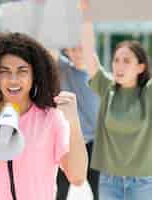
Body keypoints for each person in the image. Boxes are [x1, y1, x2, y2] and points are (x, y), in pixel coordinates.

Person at [0, 32, 88, 199]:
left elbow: (77, 177)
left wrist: (73, 123)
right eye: (5, 71)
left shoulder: (51, 118)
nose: (13, 80)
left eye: (22, 71)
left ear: (34, 75)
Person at [80, 0, 152, 199]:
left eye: (127, 61)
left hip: (143, 183)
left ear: (141, 67)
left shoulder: (148, 92)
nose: (119, 66)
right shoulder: (107, 87)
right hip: (109, 182)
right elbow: (88, 55)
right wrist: (86, 16)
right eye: (116, 60)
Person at [53, 46, 100, 200]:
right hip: (68, 142)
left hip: (95, 143)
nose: (77, 54)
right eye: (72, 50)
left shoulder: (101, 77)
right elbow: (49, 49)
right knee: (60, 192)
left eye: (81, 49)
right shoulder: (63, 70)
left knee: (99, 192)